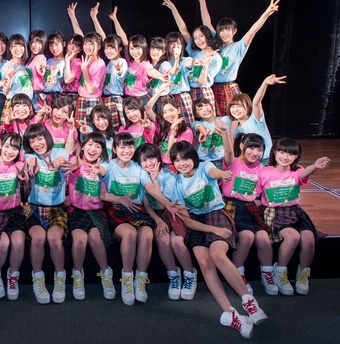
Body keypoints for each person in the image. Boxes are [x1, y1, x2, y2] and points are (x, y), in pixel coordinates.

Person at [170, 140, 267, 339]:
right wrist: (213, 229)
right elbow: (187, 221)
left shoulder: (204, 166)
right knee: (204, 263)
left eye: (185, 158)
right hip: (198, 223)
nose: (182, 163)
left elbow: (214, 173)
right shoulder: (178, 183)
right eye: (177, 160)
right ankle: (231, 314)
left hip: (216, 213)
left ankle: (249, 302)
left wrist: (222, 174)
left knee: (217, 255)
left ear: (193, 157)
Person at [100, 132, 179, 305]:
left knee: (147, 234)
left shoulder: (138, 168)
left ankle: (140, 279)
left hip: (137, 209)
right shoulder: (108, 165)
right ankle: (127, 278)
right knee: (130, 234)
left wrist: (167, 203)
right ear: (115, 149)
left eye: (130, 146)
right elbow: (101, 172)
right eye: (122, 147)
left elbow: (150, 187)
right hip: (116, 208)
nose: (126, 150)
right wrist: (96, 169)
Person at [259, 138, 331, 296]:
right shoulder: (264, 172)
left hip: (295, 211)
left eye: (291, 154)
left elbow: (304, 173)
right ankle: (280, 272)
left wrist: (315, 166)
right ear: (274, 152)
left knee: (309, 239)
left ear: (296, 157)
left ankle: (303, 274)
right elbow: (256, 195)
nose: (285, 157)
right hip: (275, 213)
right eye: (282, 152)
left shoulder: (296, 171)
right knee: (292, 237)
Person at [195, 0, 281, 116]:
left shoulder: (238, 47)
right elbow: (207, 22)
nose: (225, 33)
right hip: (211, 87)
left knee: (233, 118)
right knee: (214, 120)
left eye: (228, 30)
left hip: (229, 88)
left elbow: (252, 31)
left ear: (234, 31)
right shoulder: (214, 44)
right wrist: (202, 0)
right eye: (222, 30)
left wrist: (267, 13)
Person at [133, 143, 197, 301]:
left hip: (175, 212)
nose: (149, 163)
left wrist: (155, 181)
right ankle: (174, 275)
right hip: (158, 216)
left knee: (176, 242)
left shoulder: (169, 176)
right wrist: (158, 221)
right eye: (144, 160)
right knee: (162, 239)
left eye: (151, 158)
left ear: (158, 158)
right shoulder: (142, 177)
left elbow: (163, 205)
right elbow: (148, 207)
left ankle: (190, 275)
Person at [221, 133, 277, 296]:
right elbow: (228, 152)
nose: (255, 153)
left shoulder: (262, 168)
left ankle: (268, 274)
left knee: (263, 238)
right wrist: (224, 132)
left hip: (252, 208)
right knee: (247, 237)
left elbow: (267, 188)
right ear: (242, 147)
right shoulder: (232, 163)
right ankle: (238, 275)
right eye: (251, 148)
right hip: (233, 206)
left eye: (259, 149)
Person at [23, 124, 70, 304]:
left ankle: (60, 278)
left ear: (47, 137)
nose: (37, 143)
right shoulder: (29, 155)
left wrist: (55, 164)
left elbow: (61, 159)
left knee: (54, 239)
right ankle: (38, 278)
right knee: (38, 238)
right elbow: (30, 161)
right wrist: (32, 165)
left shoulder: (60, 151)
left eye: (39, 138)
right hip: (34, 208)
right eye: (32, 141)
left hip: (57, 209)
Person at [66, 133, 116, 300]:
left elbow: (103, 194)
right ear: (83, 146)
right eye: (90, 144)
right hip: (77, 211)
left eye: (98, 146)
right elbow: (72, 162)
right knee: (80, 240)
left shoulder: (103, 168)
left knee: (95, 238)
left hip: (95, 212)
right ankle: (78, 275)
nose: (93, 149)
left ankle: (106, 274)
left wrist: (121, 199)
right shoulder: (75, 162)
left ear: (102, 151)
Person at [0, 133, 29, 301]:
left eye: (14, 148)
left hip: (14, 213)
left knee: (19, 244)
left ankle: (12, 277)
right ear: (1, 145)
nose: (10, 151)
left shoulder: (18, 166)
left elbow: (24, 172)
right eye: (7, 146)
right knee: (3, 244)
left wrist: (23, 175)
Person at [224, 74, 286, 161]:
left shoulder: (255, 119)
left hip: (266, 160)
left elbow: (256, 102)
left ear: (247, 107)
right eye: (233, 107)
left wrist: (265, 83)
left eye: (239, 106)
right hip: (251, 161)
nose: (236, 110)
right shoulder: (238, 130)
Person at [145, 85, 194, 168]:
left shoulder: (187, 132)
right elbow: (147, 108)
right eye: (165, 112)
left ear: (178, 110)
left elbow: (171, 154)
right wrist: (159, 92)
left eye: (171, 110)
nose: (168, 114)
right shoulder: (161, 125)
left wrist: (172, 132)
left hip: (176, 166)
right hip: (160, 165)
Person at [123, 35, 168, 106]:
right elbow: (124, 40)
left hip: (141, 99)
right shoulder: (129, 60)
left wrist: (161, 76)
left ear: (144, 48)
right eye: (132, 48)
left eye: (138, 48)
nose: (135, 51)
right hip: (127, 98)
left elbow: (151, 71)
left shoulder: (145, 64)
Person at [75, 32, 106, 125]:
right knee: (81, 129)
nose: (87, 47)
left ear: (99, 46)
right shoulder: (85, 60)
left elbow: (91, 90)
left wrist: (85, 70)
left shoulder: (99, 64)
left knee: (92, 129)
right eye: (85, 43)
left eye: (91, 44)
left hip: (92, 100)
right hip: (82, 99)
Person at [1, 33, 33, 104]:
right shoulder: (7, 66)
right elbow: (5, 92)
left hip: (27, 103)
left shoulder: (24, 66)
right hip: (16, 105)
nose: (18, 49)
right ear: (9, 48)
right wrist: (9, 77)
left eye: (21, 46)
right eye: (14, 46)